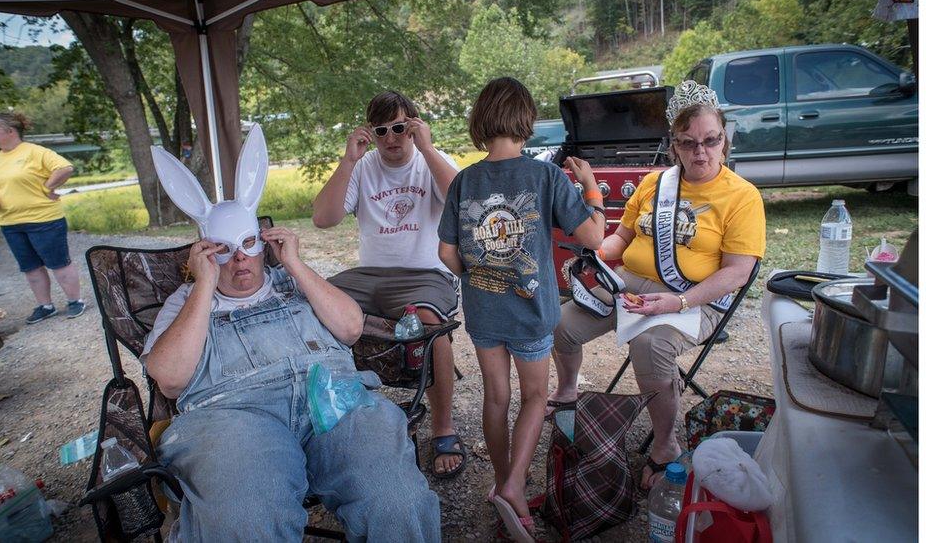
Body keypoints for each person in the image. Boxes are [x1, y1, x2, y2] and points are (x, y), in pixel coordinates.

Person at [142, 228, 440, 541]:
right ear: (204, 254)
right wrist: (204, 285)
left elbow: (351, 328)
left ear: (263, 244)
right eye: (224, 249)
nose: (240, 257)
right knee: (247, 520)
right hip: (232, 416)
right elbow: (170, 380)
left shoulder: (295, 280)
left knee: (397, 500)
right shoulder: (186, 301)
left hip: (331, 398)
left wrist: (294, 264)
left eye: (247, 243)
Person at [548, 80, 766, 490]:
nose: (699, 151)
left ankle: (666, 444)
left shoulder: (742, 196)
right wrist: (597, 253)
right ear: (674, 146)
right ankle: (567, 389)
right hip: (630, 285)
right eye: (688, 143)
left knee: (650, 346)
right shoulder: (654, 184)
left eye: (710, 140)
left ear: (725, 141)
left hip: (699, 297)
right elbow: (621, 239)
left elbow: (737, 273)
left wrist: (678, 302)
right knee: (560, 325)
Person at [437, 77, 605, 543]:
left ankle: (502, 478)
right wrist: (591, 187)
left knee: (496, 397)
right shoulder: (546, 176)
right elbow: (594, 238)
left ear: (481, 121)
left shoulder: (464, 181)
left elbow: (447, 254)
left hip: (485, 311)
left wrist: (477, 273)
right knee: (535, 397)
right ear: (525, 120)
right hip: (531, 311)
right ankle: (513, 487)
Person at [312, 91, 467, 478]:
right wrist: (348, 160)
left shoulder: (431, 158)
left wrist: (427, 150)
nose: (392, 138)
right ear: (371, 134)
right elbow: (322, 218)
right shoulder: (362, 167)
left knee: (432, 323)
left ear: (413, 126)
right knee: (311, 303)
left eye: (400, 127)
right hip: (370, 275)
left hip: (426, 273)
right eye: (382, 131)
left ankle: (443, 427)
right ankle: (331, 412)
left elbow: (462, 201)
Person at [0, 112, 85, 324]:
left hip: (43, 219)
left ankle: (75, 301)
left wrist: (48, 187)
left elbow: (65, 167)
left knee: (59, 263)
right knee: (30, 267)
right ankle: (45, 306)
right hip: (10, 223)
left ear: (10, 131)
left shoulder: (34, 152)